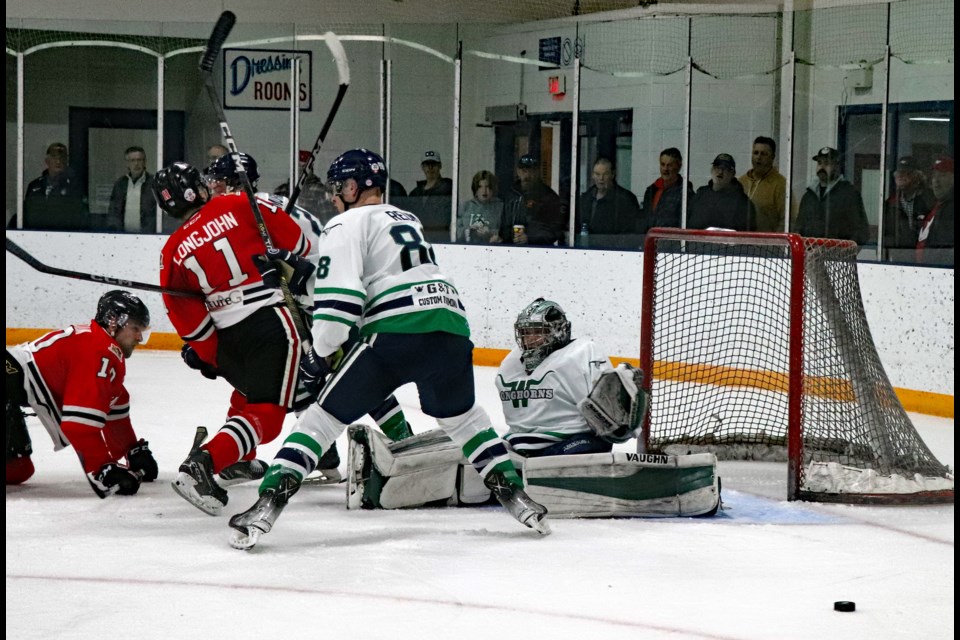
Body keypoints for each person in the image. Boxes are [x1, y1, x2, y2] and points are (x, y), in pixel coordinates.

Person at [228, 148, 550, 549]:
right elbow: (380, 279)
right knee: (465, 420)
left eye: (335, 188)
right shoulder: (405, 219)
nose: (331, 197)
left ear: (351, 187)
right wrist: (300, 275)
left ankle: (265, 506)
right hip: (450, 328)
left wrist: (318, 352)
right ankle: (515, 497)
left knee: (320, 419)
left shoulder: (344, 223)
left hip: (396, 333)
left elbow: (342, 307)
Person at [343, 298, 718, 518]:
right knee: (464, 442)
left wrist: (620, 413)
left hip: (573, 446)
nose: (529, 341)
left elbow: (617, 416)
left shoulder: (581, 354)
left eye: (536, 332)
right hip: (521, 444)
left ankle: (389, 481)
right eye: (525, 334)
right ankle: (390, 457)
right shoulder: (509, 365)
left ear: (556, 332)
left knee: (469, 468)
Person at [207, 151, 415, 480]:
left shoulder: (260, 210)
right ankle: (322, 453)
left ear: (234, 184)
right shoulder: (235, 215)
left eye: (218, 183)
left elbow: (314, 255)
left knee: (351, 369)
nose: (213, 189)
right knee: (304, 374)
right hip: (301, 301)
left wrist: (288, 264)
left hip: (328, 297)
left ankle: (404, 440)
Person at [153, 161, 314, 516]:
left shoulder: (173, 251)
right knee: (268, 417)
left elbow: (190, 323)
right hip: (272, 321)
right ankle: (205, 464)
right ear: (200, 187)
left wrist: (213, 357)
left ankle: (234, 461)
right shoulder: (239, 204)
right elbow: (300, 244)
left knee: (245, 396)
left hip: (229, 336)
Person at [6, 290, 157, 496]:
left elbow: (114, 400)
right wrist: (103, 470)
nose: (140, 337)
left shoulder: (101, 346)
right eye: (136, 328)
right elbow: (79, 426)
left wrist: (131, 450)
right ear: (114, 322)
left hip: (12, 385)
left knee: (18, 469)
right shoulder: (97, 350)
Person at [795, 147, 869, 244]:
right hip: (810, 255)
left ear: (837, 166)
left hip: (838, 257)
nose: (822, 167)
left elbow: (861, 232)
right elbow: (798, 228)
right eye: (819, 163)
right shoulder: (808, 197)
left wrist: (845, 253)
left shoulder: (849, 194)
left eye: (827, 163)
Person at [20, 142, 89, 231]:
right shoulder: (34, 186)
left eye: (62, 157)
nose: (58, 161)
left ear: (66, 161)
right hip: (36, 237)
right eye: (54, 157)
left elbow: (82, 219)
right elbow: (26, 216)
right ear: (47, 161)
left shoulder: (75, 187)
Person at [503, 154, 567, 246]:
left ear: (538, 172)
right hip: (508, 249)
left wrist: (530, 238)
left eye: (532, 171)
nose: (527, 175)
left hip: (538, 250)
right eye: (524, 171)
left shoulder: (549, 196)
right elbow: (503, 225)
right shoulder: (510, 195)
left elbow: (555, 230)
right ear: (518, 172)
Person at [688, 153, 757, 231]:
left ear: (733, 174)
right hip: (696, 242)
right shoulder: (700, 195)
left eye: (726, 168)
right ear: (712, 170)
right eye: (717, 167)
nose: (720, 171)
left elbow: (745, 236)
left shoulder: (742, 203)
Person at [577, 157, 642, 237]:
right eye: (597, 174)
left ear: (612, 174)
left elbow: (631, 232)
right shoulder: (585, 198)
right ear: (592, 175)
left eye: (605, 174)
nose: (601, 178)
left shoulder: (626, 199)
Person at [272, 149, 338, 227]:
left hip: (309, 237)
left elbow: (328, 223)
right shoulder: (280, 191)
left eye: (304, 167)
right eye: (298, 166)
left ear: (311, 169)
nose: (300, 170)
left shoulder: (320, 191)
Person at [883, 156, 936, 250]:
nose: (900, 176)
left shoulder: (931, 200)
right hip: (900, 257)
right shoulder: (890, 203)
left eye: (906, 173)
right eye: (898, 173)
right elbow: (886, 234)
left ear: (917, 176)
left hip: (927, 256)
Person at [639, 147, 694, 233]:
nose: (665, 169)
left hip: (670, 243)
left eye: (670, 165)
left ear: (679, 167)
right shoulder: (651, 190)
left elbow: (685, 225)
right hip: (649, 240)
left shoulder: (685, 193)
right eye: (662, 164)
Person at [738, 136, 787, 232]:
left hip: (768, 244)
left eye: (763, 154)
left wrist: (777, 243)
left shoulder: (780, 184)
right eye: (755, 153)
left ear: (772, 157)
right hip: (742, 243)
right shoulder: (741, 182)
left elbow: (787, 219)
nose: (758, 157)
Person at [107, 146, 156, 233]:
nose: (136, 164)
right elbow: (113, 212)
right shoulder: (120, 184)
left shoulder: (154, 184)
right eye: (132, 160)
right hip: (122, 237)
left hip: (148, 238)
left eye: (139, 160)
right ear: (127, 164)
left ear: (145, 162)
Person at [916, 155, 954, 265]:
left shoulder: (950, 209)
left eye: (942, 175)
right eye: (934, 176)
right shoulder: (936, 205)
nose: (936, 181)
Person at [458, 170, 504, 243]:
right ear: (475, 189)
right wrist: (469, 231)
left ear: (493, 188)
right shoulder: (465, 206)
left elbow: (506, 232)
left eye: (487, 187)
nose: (484, 191)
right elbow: (455, 231)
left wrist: (489, 234)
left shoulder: (501, 207)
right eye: (480, 187)